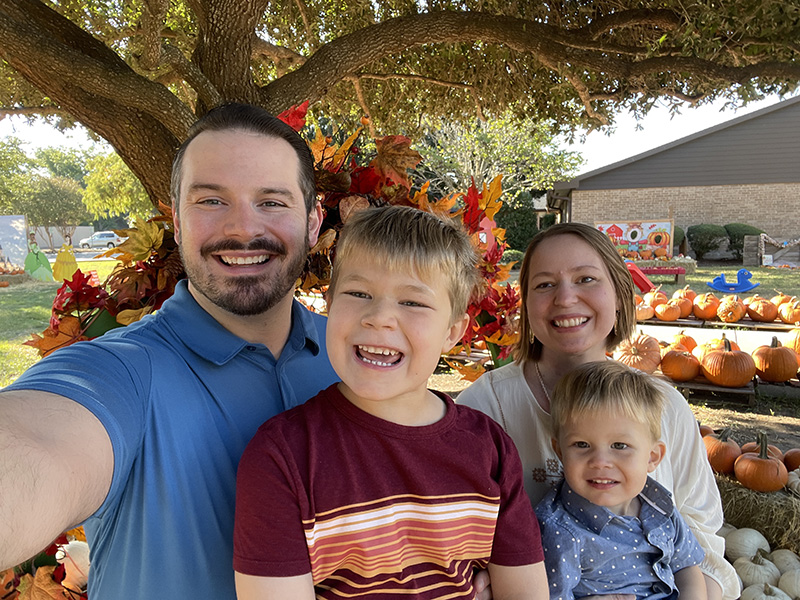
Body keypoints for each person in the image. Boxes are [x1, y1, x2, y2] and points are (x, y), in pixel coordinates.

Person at [0, 103, 340, 599]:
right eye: (210, 201)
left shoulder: (361, 359)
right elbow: (34, 445)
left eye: (271, 202)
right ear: (176, 223)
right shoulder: (120, 371)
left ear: (312, 224)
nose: (243, 228)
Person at [233, 206, 547, 600]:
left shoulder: (490, 449)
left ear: (453, 331)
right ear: (329, 305)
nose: (380, 317)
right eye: (359, 293)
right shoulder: (283, 456)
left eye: (412, 303)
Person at [457, 222, 740, 600]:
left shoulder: (665, 406)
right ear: (525, 302)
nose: (566, 298)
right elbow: (457, 536)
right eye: (544, 284)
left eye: (586, 279)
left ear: (620, 295)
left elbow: (699, 529)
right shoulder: (484, 408)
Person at [536, 361, 706, 600]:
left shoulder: (660, 506)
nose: (600, 461)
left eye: (619, 446)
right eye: (582, 445)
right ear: (560, 452)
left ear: (652, 457)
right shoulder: (560, 531)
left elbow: (686, 567)